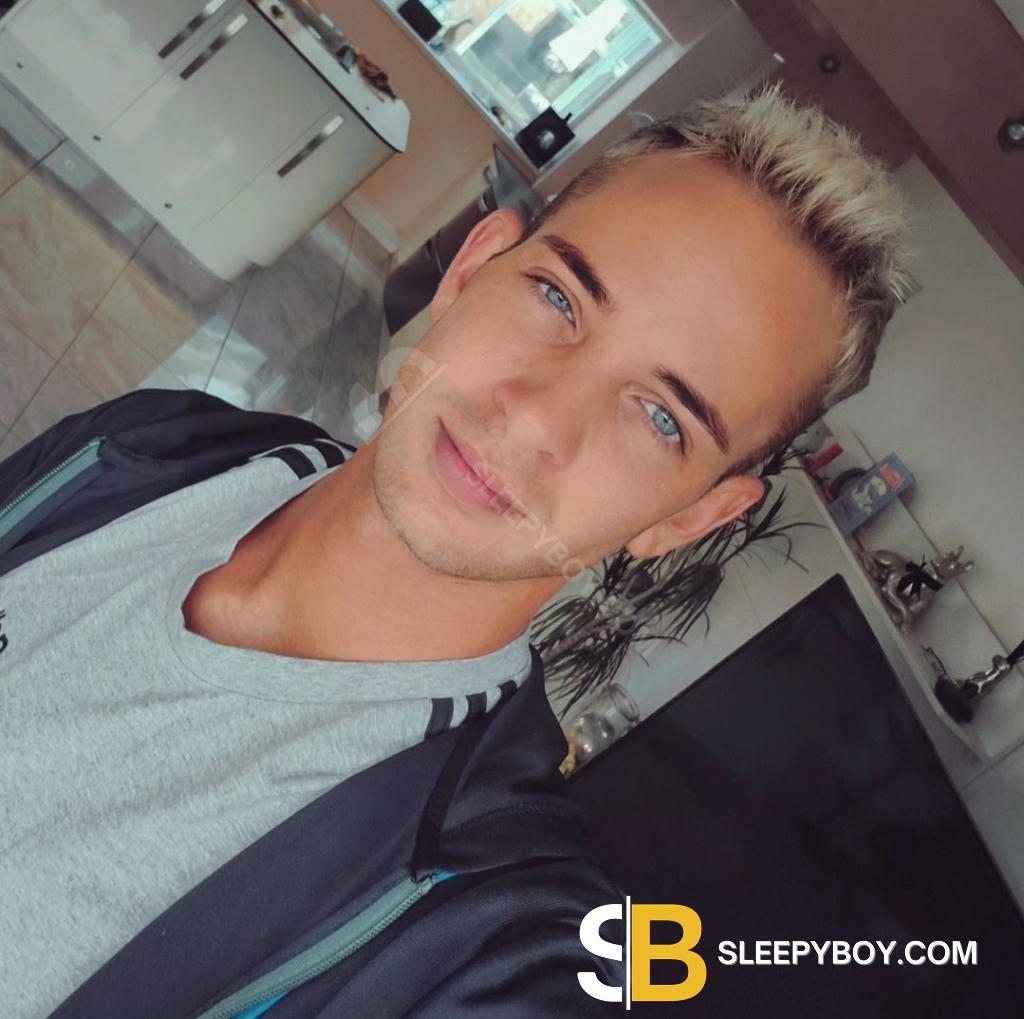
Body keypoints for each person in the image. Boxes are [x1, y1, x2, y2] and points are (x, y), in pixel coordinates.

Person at [0, 81, 911, 1018]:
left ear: (690, 518)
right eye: (559, 297)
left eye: (660, 418)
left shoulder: (486, 933)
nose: (536, 419)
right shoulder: (143, 444)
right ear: (472, 270)